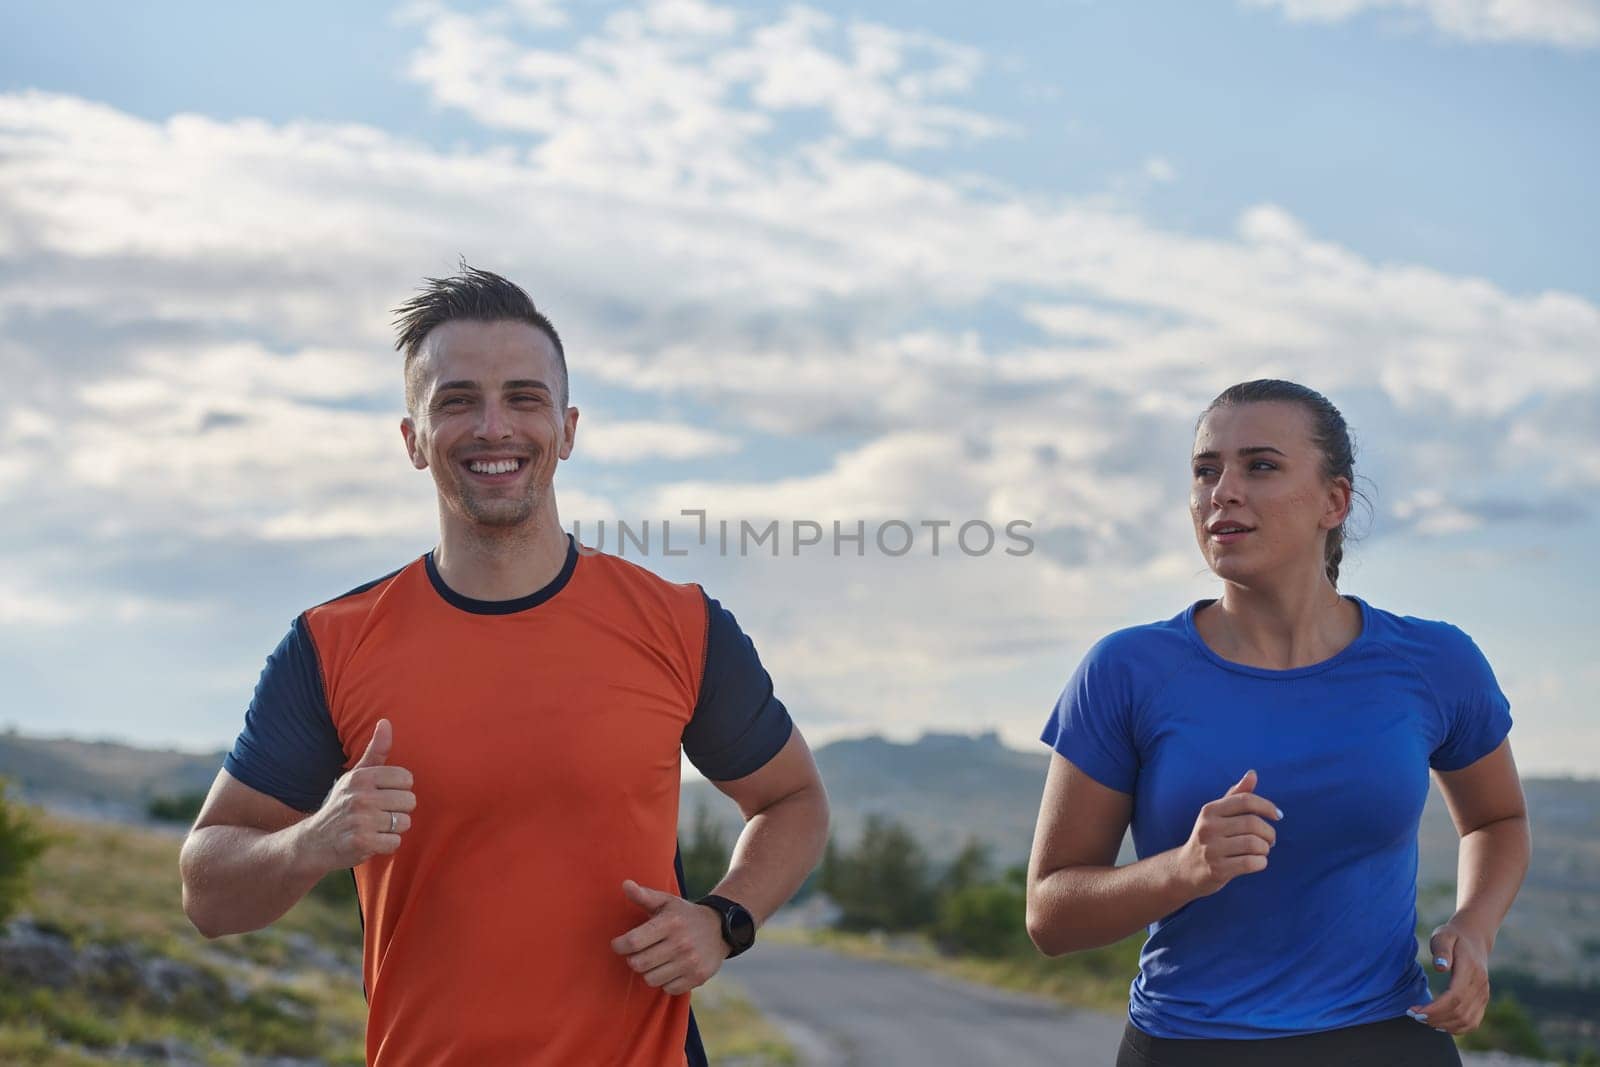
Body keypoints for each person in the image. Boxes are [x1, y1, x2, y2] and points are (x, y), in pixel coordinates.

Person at [179, 265, 830, 1066]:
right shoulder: (330, 645)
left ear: (567, 428)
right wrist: (311, 841)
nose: (495, 427)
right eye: (457, 401)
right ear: (414, 438)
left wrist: (725, 918)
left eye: (524, 397)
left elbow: (793, 798)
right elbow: (206, 891)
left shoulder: (679, 623)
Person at [1025, 379, 1529, 1067]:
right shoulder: (1127, 670)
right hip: (1190, 1048)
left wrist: (1475, 926)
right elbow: (1050, 915)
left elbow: (1497, 820)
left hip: (1386, 1039)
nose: (1222, 490)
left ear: (1335, 500)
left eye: (1260, 465)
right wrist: (1183, 869)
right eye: (1206, 470)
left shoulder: (1433, 662)